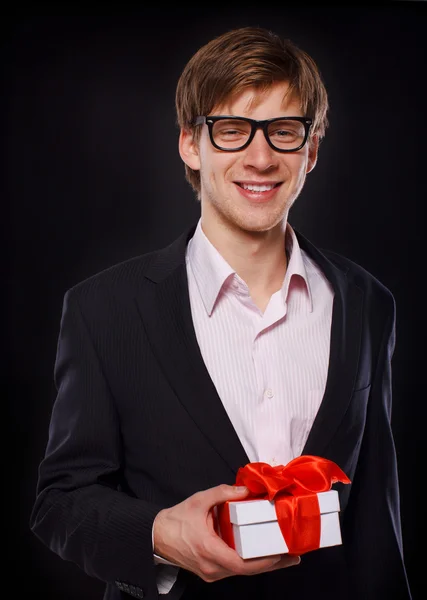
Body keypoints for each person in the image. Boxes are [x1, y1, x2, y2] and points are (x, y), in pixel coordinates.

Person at [29, 26, 412, 600]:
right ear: (190, 143)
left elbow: (378, 514)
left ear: (310, 150)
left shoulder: (367, 302)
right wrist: (158, 534)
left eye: (284, 131)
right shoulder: (103, 308)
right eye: (231, 130)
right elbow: (60, 502)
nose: (260, 158)